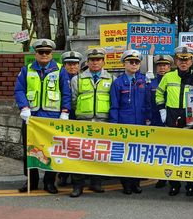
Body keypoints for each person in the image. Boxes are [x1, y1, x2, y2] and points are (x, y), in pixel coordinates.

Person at [14, 38, 71, 194]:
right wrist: (24, 107)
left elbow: (66, 93)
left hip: (51, 118)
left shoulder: (60, 70)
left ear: (52, 54)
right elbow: (19, 90)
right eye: (41, 52)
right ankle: (31, 181)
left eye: (47, 52)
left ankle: (49, 182)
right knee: (29, 149)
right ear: (36, 53)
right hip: (31, 118)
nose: (44, 55)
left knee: (51, 150)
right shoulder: (27, 70)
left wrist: (65, 112)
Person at [155, 45, 193, 197]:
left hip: (190, 118)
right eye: (181, 59)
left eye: (187, 59)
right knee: (173, 154)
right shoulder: (168, 76)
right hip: (171, 116)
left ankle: (190, 185)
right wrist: (162, 110)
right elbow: (159, 94)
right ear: (176, 60)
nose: (183, 62)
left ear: (191, 61)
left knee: (190, 154)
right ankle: (174, 184)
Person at [68, 47, 113, 197]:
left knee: (98, 154)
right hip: (83, 122)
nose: (95, 62)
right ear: (87, 62)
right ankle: (77, 185)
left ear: (103, 62)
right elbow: (73, 101)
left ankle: (96, 182)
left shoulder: (111, 79)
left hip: (102, 122)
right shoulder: (77, 79)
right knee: (79, 154)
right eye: (92, 60)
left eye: (98, 60)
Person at [109, 49, 151, 196]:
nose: (134, 64)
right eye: (130, 62)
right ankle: (126, 184)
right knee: (125, 155)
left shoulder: (144, 80)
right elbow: (114, 105)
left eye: (136, 62)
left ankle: (136, 183)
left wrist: (148, 119)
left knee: (138, 155)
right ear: (124, 64)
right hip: (124, 123)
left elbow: (147, 103)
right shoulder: (118, 83)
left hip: (140, 123)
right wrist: (115, 124)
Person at [57, 50, 83, 187]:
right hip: (63, 115)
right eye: (69, 64)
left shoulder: (83, 78)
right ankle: (63, 174)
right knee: (64, 146)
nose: (72, 67)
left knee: (77, 147)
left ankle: (76, 176)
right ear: (64, 65)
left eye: (75, 64)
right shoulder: (58, 77)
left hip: (78, 116)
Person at [150, 54, 173, 188]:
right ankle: (161, 177)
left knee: (171, 150)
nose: (162, 67)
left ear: (170, 67)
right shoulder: (151, 83)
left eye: (165, 65)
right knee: (159, 152)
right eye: (159, 65)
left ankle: (172, 178)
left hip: (172, 120)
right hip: (156, 120)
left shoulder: (173, 80)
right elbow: (148, 103)